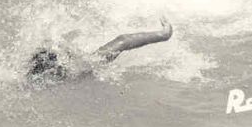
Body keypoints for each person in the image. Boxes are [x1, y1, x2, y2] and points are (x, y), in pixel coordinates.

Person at [28, 18, 172, 82]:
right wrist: (164, 34)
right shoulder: (86, 66)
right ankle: (164, 34)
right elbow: (125, 40)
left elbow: (124, 40)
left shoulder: (85, 64)